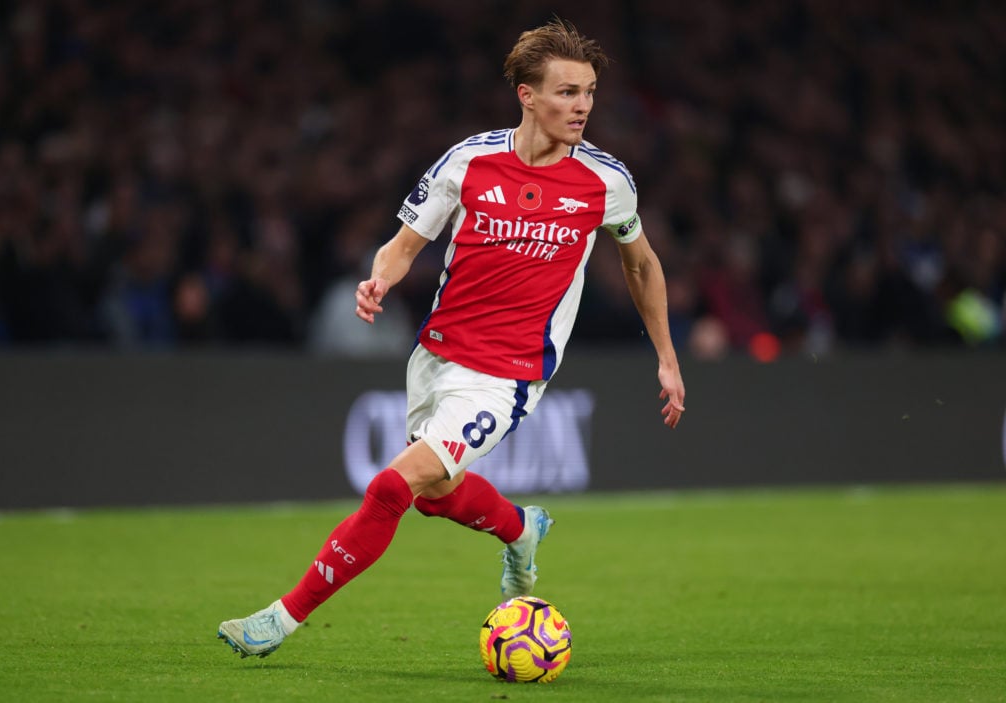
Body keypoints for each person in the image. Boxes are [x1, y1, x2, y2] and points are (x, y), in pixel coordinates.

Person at [217, 18, 686, 659]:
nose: (582, 107)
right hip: (436, 357)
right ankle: (520, 529)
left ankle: (281, 619)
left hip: (508, 373)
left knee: (390, 488)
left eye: (589, 92)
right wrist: (377, 280)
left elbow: (642, 264)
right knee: (435, 497)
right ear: (526, 94)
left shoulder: (605, 182)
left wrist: (666, 356)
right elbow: (406, 243)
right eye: (567, 92)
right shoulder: (468, 162)